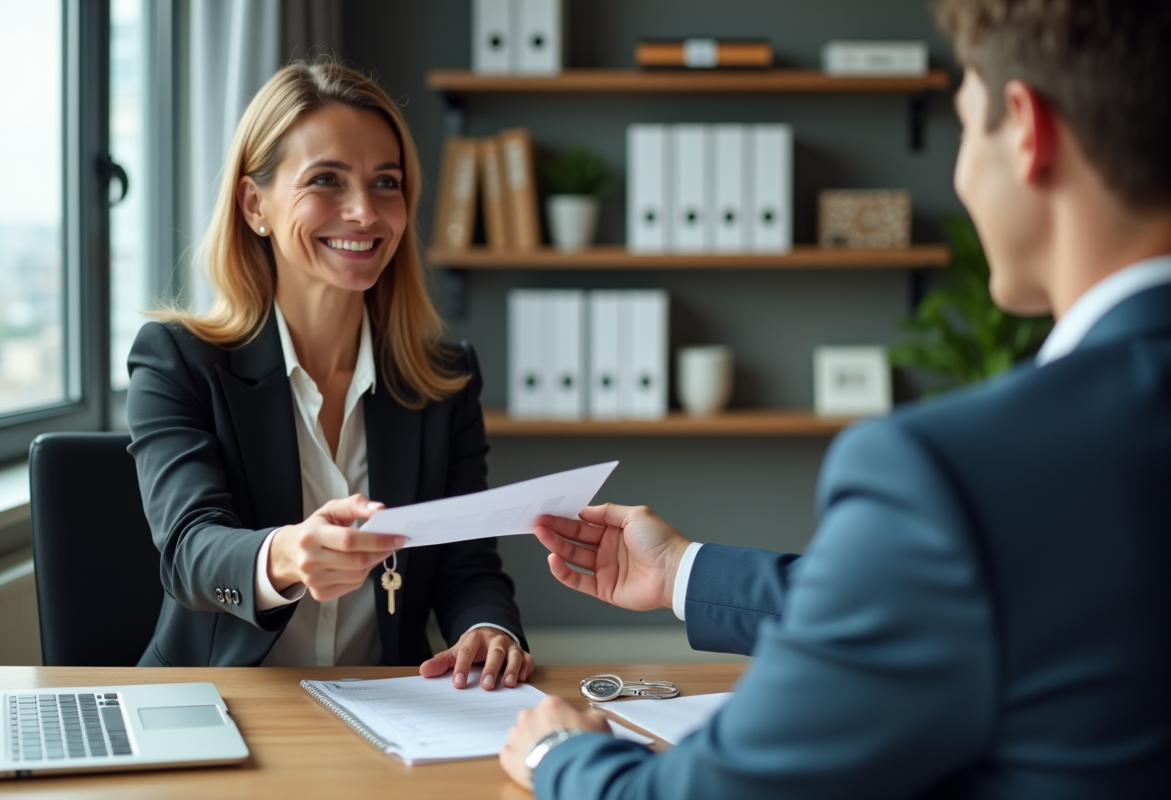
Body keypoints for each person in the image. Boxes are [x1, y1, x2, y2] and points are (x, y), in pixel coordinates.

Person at [501, 0, 1171, 796]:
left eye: (965, 127)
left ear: (1027, 130)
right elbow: (944, 609)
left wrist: (563, 755)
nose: (960, 175)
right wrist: (684, 570)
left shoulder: (957, 474)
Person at [127, 62, 533, 691]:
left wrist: (488, 630)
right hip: (218, 700)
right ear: (254, 204)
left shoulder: (445, 380)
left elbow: (466, 565)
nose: (364, 212)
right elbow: (189, 550)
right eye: (326, 180)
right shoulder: (177, 359)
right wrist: (285, 555)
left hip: (387, 710)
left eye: (386, 183)